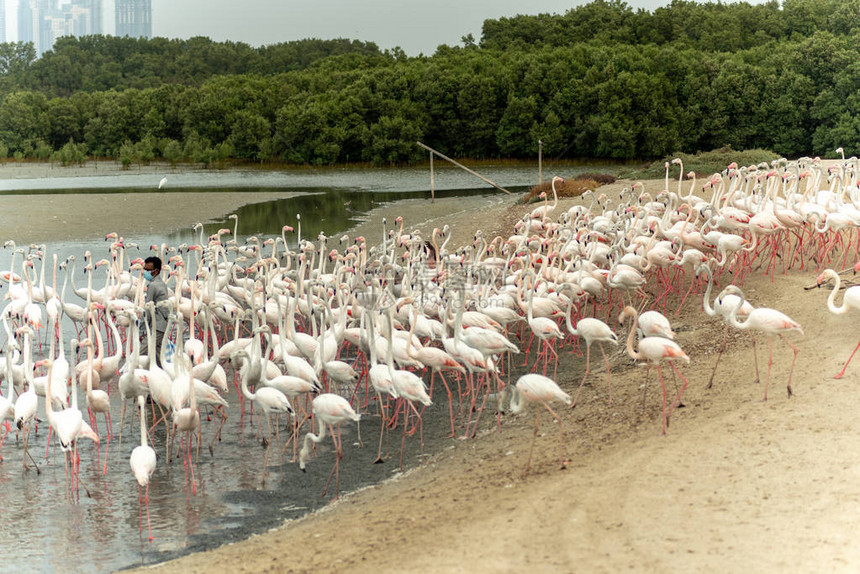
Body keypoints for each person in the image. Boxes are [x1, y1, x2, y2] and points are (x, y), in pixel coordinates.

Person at [143, 256, 169, 367]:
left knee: (141, 354)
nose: (145, 272)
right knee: (159, 357)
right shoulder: (162, 283)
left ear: (156, 271)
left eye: (148, 270)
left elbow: (148, 309)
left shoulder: (152, 286)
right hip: (163, 325)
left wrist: (143, 331)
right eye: (145, 269)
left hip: (157, 326)